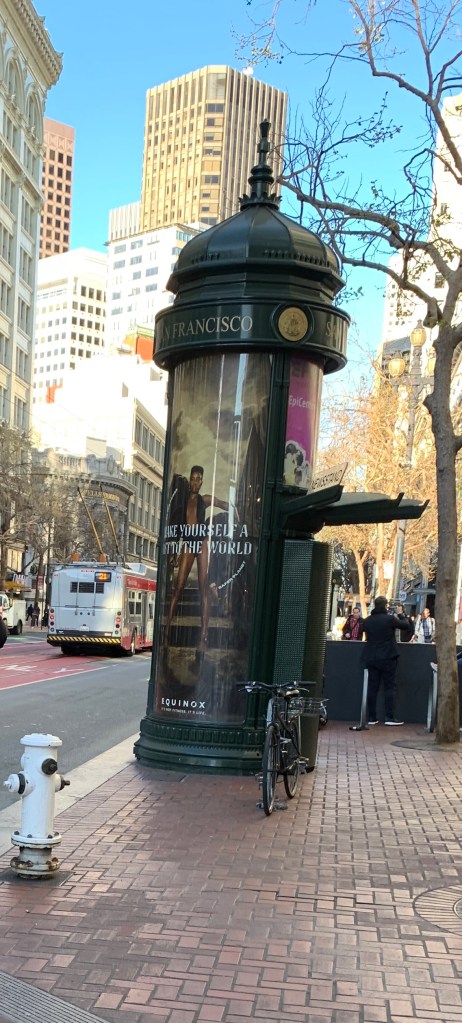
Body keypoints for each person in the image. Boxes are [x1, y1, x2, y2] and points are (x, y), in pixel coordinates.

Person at [165, 466, 233, 659]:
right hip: (188, 543)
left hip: (201, 542)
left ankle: (203, 637)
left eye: (198, 479)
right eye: (193, 478)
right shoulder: (183, 502)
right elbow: (177, 526)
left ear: (201, 481)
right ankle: (167, 631)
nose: (195, 482)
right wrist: (176, 551)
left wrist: (235, 511)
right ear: (190, 480)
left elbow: (222, 503)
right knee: (178, 588)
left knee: (204, 589)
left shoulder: (204, 499)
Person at [362, 595, 414, 726]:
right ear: (385, 605)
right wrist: (401, 614)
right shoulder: (390, 619)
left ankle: (372, 717)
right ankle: (389, 717)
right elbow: (406, 626)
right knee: (389, 687)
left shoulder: (367, 621)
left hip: (372, 657)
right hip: (388, 657)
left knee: (372, 687)